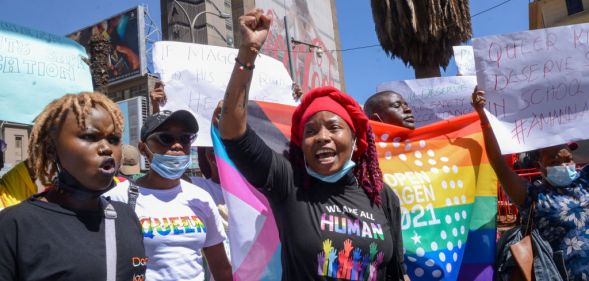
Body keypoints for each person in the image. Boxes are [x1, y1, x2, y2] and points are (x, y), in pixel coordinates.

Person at [218, 9, 406, 280]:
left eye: (333, 127)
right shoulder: (289, 183)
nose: (321, 137)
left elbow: (396, 272)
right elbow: (233, 132)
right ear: (301, 144)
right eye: (311, 131)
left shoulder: (381, 196)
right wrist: (248, 52)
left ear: (355, 141)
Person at [0, 92, 147, 280]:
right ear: (52, 149)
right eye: (89, 137)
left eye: (114, 139)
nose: (106, 148)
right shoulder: (15, 225)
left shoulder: (127, 217)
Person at [472, 88, 589, 279]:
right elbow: (500, 167)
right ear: (539, 165)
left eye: (567, 160)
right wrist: (485, 120)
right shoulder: (534, 196)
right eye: (554, 161)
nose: (563, 165)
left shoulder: (585, 181)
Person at [105, 109, 231, 281]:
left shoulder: (201, 198)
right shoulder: (118, 198)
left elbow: (221, 268)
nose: (177, 145)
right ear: (143, 148)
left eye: (185, 138)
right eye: (166, 138)